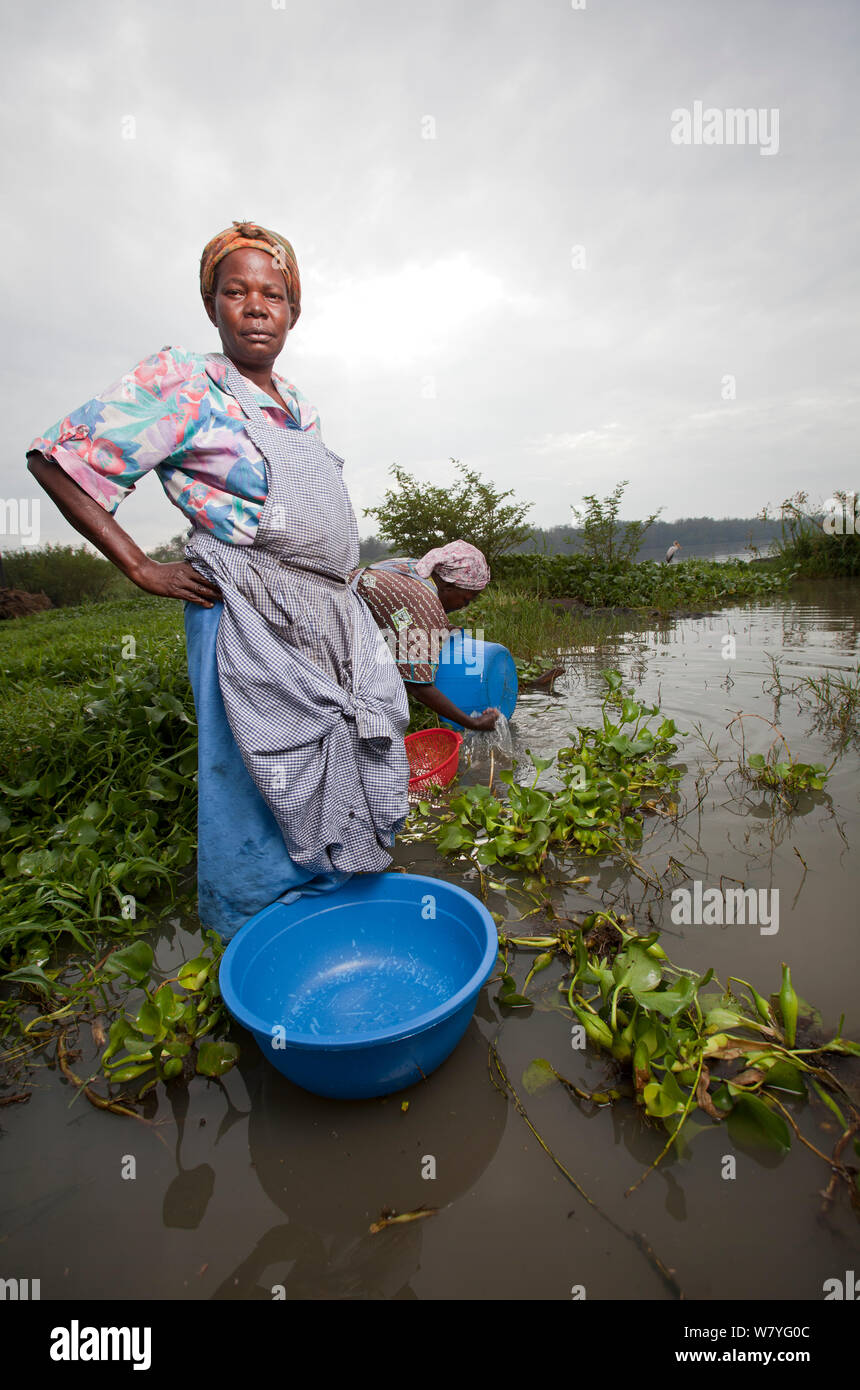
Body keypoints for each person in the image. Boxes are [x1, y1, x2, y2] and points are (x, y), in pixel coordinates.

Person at [26, 220, 411, 940]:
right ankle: (256, 928)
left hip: (322, 610)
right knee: (258, 769)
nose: (257, 306)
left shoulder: (299, 405)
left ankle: (331, 899)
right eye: (236, 291)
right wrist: (139, 566)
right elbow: (58, 460)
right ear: (213, 306)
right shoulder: (183, 380)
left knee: (338, 746)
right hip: (244, 606)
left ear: (293, 310)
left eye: (273, 293)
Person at [350, 541, 500, 731]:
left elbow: (409, 620)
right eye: (466, 598)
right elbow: (418, 686)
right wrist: (473, 722)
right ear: (447, 585)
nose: (465, 606)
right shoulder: (423, 601)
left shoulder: (417, 569)